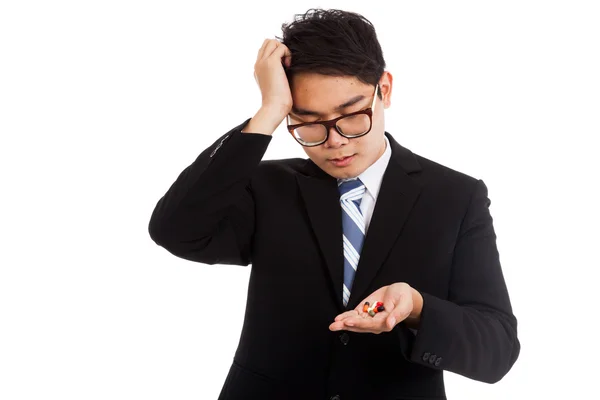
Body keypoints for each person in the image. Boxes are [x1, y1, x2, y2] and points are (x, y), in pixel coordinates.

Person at [148, 8, 520, 400]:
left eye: (351, 115)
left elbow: (496, 350)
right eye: (308, 122)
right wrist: (269, 112)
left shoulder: (456, 197)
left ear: (385, 90)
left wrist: (416, 307)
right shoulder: (267, 186)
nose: (335, 141)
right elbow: (175, 230)